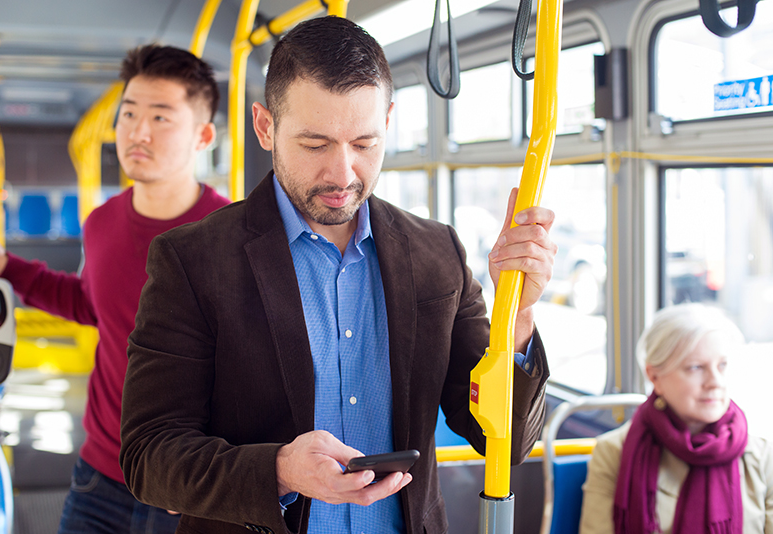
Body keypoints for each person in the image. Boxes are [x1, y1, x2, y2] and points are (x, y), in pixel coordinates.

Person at [120, 16, 556, 534]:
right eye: (315, 144)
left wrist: (520, 315)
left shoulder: (436, 252)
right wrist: (278, 471)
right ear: (265, 127)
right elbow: (149, 457)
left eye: (365, 144)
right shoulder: (192, 260)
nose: (343, 174)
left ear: (389, 121)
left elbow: (502, 438)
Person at [0, 44, 231, 533]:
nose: (137, 131)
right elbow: (92, 305)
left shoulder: (233, 234)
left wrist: (212, 469)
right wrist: (7, 267)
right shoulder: (102, 223)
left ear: (202, 136)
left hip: (185, 485)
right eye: (128, 113)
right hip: (99, 475)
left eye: (160, 117)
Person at [580, 303, 773, 534]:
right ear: (654, 376)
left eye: (722, 365)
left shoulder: (763, 457)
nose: (715, 382)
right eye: (695, 367)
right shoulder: (613, 453)